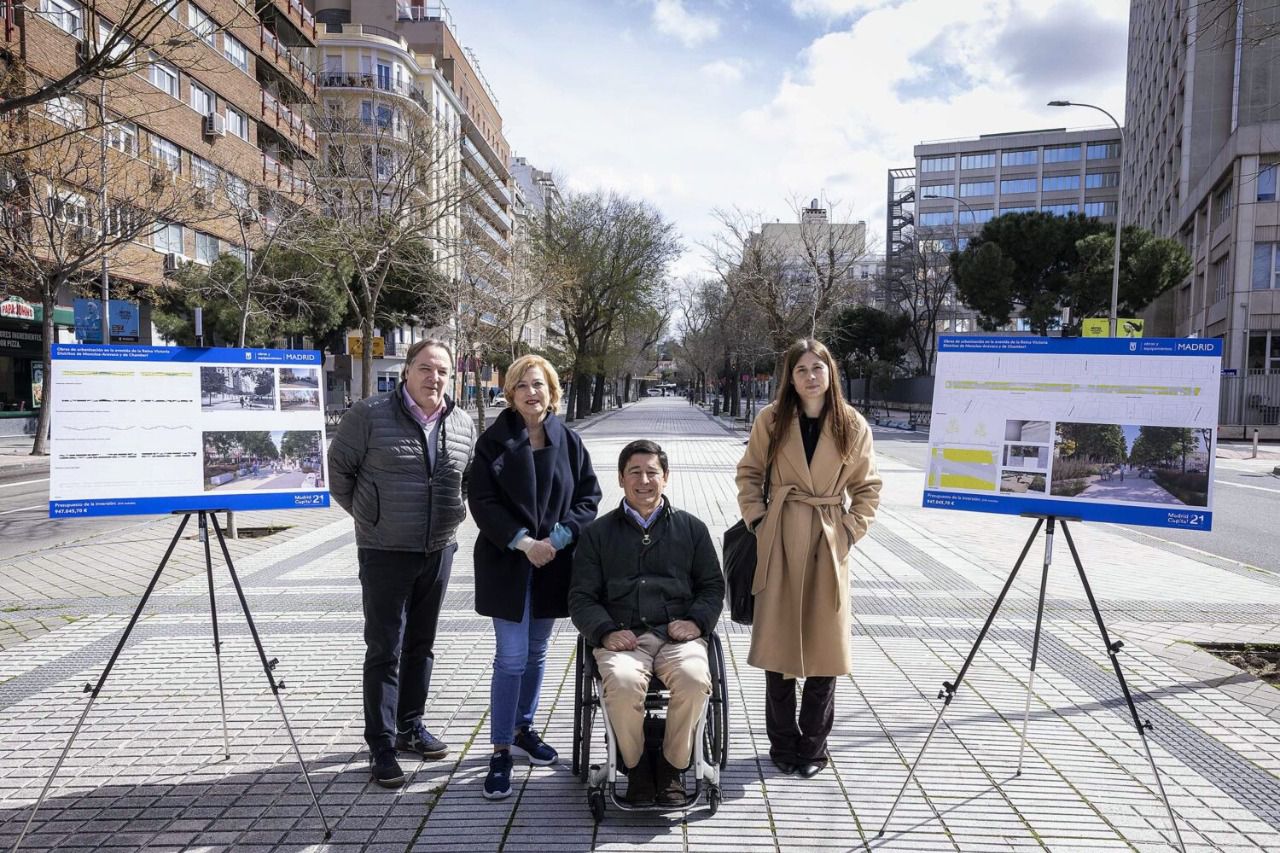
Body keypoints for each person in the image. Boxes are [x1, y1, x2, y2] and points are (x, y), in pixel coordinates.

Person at [328, 338, 477, 789]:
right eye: (427, 368)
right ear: (408, 370)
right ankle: (382, 743)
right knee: (385, 649)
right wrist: (373, 518)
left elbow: (467, 480)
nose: (435, 378)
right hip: (384, 551)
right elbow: (339, 474)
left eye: (443, 372)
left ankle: (411, 726)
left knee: (421, 645)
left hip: (438, 549)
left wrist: (453, 518)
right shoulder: (369, 415)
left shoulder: (463, 422)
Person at [736, 338, 882, 779]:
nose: (811, 376)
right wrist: (760, 522)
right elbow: (749, 474)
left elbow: (868, 487)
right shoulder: (772, 420)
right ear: (790, 377)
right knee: (779, 650)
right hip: (779, 536)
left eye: (818, 367)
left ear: (830, 372)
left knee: (824, 650)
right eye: (801, 369)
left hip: (826, 540)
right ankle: (782, 745)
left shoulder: (851, 424)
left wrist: (849, 532)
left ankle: (813, 748)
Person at [469, 355, 602, 800]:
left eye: (540, 385)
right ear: (510, 392)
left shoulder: (569, 440)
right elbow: (483, 502)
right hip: (508, 562)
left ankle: (525, 728)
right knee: (510, 657)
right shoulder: (494, 441)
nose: (532, 392)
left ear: (552, 392)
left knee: (538, 652)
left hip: (553, 563)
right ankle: (501, 748)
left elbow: (589, 495)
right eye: (523, 385)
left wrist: (561, 538)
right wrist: (525, 542)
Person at [569, 440, 724, 807]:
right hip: (623, 639)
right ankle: (636, 768)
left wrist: (698, 621)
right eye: (635, 472)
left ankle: (673, 767)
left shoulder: (691, 529)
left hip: (678, 636)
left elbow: (712, 586)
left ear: (666, 478)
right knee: (621, 683)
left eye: (652, 472)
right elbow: (580, 597)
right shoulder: (597, 534)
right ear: (621, 479)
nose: (644, 480)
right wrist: (605, 630)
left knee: (694, 678)